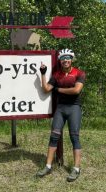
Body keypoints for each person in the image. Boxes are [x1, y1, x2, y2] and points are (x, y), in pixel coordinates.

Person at [36, 49, 86, 182]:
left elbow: (76, 90)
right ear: (60, 60)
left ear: (72, 59)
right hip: (61, 109)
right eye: (63, 58)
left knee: (74, 137)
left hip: (74, 108)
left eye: (68, 58)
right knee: (54, 136)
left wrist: (57, 89)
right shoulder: (57, 74)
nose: (65, 60)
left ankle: (76, 169)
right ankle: (48, 166)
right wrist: (43, 74)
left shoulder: (79, 73)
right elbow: (46, 89)